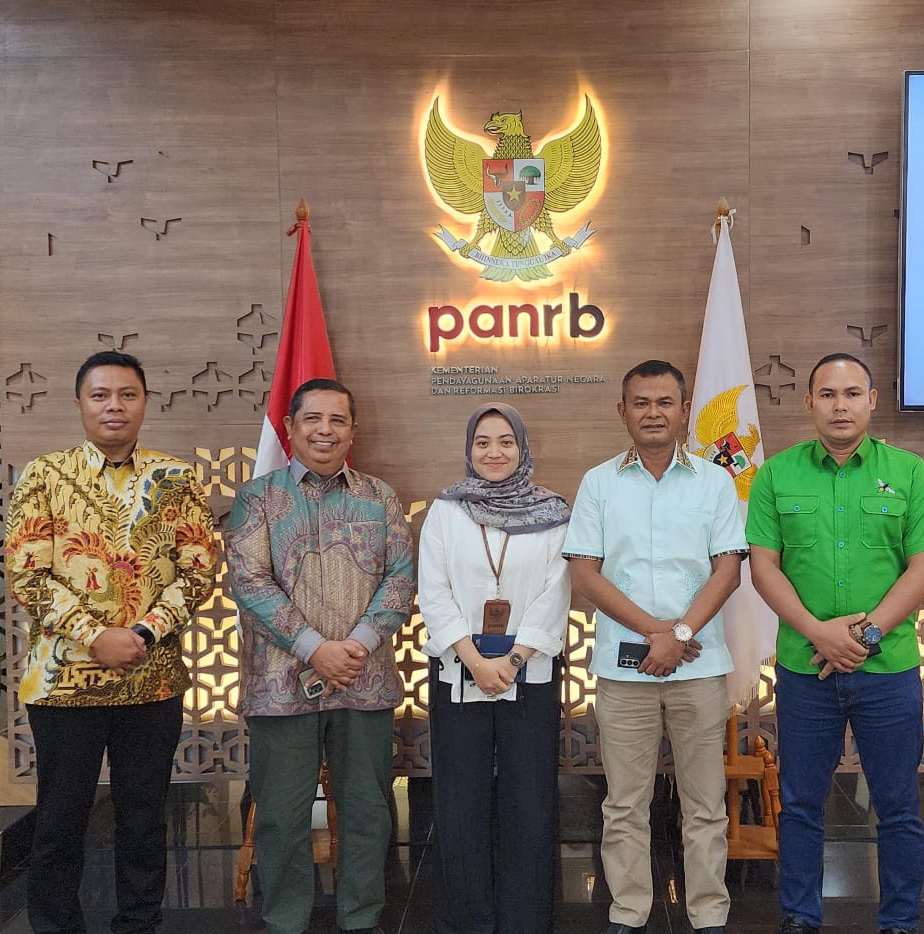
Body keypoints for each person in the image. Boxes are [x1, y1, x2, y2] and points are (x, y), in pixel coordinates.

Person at [4, 351, 217, 934]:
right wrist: (96, 636)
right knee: (59, 821)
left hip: (152, 681)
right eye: (100, 395)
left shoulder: (175, 479)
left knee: (144, 819)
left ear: (145, 402)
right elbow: (28, 574)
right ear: (80, 403)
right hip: (63, 684)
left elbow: (198, 572)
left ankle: (138, 924)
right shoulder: (45, 476)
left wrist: (142, 632)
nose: (114, 406)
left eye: (127, 394)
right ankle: (55, 926)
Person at [746, 353, 924, 934]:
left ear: (872, 401)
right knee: (801, 804)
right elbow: (763, 567)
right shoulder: (776, 475)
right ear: (808, 402)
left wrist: (867, 635)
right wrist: (819, 633)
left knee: (897, 805)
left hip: (888, 670)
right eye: (828, 394)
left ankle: (900, 921)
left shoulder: (908, 472)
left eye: (852, 393)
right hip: (804, 669)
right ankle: (800, 916)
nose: (841, 405)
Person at [224, 377, 415, 934]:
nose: (325, 430)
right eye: (313, 418)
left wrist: (356, 647)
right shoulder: (258, 497)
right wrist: (314, 648)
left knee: (368, 812)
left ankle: (362, 918)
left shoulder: (379, 497)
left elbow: (401, 579)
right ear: (290, 427)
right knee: (281, 816)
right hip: (280, 685)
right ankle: (286, 920)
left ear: (353, 429)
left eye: (337, 420)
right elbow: (249, 581)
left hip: (364, 679)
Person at [562, 359, 746, 934]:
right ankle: (628, 911)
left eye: (665, 402)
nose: (653, 413)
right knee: (624, 804)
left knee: (705, 803)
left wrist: (680, 635)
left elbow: (728, 571)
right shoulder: (598, 482)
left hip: (699, 668)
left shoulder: (715, 481)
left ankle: (709, 912)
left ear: (685, 410)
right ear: (622, 411)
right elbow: (585, 575)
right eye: (641, 403)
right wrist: (656, 634)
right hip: (625, 672)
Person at [419, 403, 572, 934]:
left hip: (529, 676)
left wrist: (510, 660)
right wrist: (473, 660)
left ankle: (526, 918)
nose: (494, 452)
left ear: (523, 448)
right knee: (461, 800)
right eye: (482, 442)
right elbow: (433, 590)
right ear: (469, 449)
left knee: (529, 800)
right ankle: (469, 918)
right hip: (458, 675)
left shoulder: (553, 512)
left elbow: (557, 591)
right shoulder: (446, 510)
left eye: (506, 441)